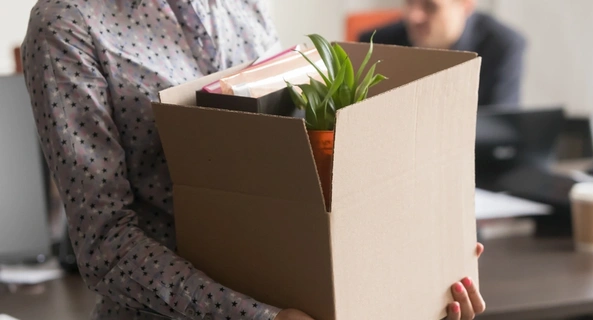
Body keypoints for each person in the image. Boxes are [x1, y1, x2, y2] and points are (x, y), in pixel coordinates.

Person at [20, 0, 486, 319]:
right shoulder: (67, 21)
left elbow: (289, 174)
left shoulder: (244, 4)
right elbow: (106, 246)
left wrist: (416, 270)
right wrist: (261, 317)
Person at [359, 0, 527, 108]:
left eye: (431, 7)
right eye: (409, 2)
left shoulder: (503, 45)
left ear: (466, 5)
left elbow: (500, 128)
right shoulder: (377, 42)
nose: (413, 17)